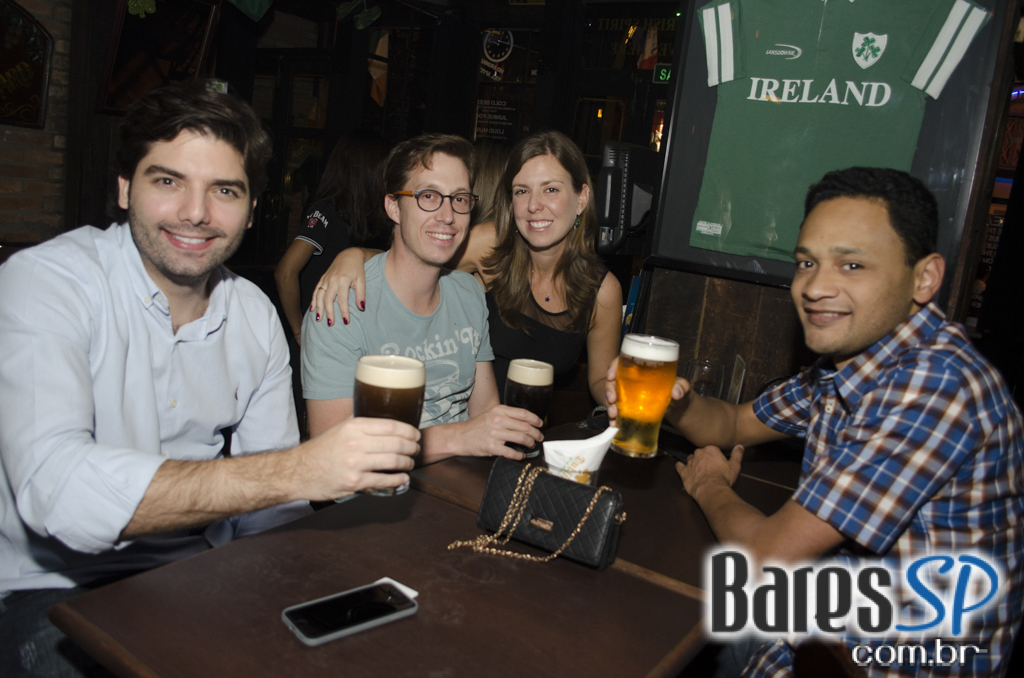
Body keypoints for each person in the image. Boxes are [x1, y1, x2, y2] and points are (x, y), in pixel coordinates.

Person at [0, 83, 419, 677]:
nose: (196, 212)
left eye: (224, 190)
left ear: (251, 208)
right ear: (124, 188)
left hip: (197, 572)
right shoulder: (47, 283)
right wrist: (299, 470)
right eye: (168, 181)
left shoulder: (252, 314)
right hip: (49, 588)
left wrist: (310, 579)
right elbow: (57, 494)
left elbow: (272, 514)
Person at [607, 167, 1024, 677]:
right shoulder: (854, 362)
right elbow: (734, 424)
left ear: (925, 278)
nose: (816, 286)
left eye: (852, 265)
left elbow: (766, 560)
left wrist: (710, 485)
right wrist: (674, 401)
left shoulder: (936, 386)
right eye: (807, 262)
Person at [310, 131, 623, 406]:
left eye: (551, 189)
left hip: (526, 430)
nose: (533, 205)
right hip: (468, 422)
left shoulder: (602, 292)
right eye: (521, 190)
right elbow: (415, 259)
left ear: (581, 198)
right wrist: (355, 255)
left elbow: (599, 380)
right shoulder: (491, 246)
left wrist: (617, 395)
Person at [301, 133, 543, 459]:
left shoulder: (469, 292)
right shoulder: (341, 303)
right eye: (428, 196)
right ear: (393, 207)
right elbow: (332, 452)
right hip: (379, 487)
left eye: (459, 199)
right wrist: (459, 438)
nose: (447, 215)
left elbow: (485, 411)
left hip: (464, 475)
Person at [274, 132, 391, 345]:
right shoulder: (326, 211)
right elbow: (285, 272)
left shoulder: (366, 217)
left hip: (348, 337)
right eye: (383, 169)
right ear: (367, 172)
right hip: (319, 340)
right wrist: (300, 332)